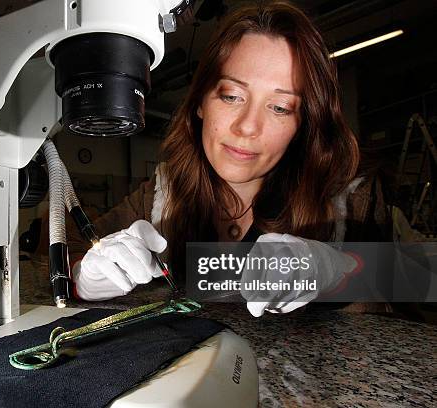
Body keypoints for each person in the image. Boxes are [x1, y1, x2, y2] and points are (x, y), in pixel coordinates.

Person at [67, 1, 392, 316]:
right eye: (232, 96)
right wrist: (85, 278)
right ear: (200, 104)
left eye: (280, 107)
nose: (248, 126)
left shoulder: (350, 196)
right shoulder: (163, 194)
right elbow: (65, 252)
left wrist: (334, 272)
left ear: (302, 124)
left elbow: (405, 288)